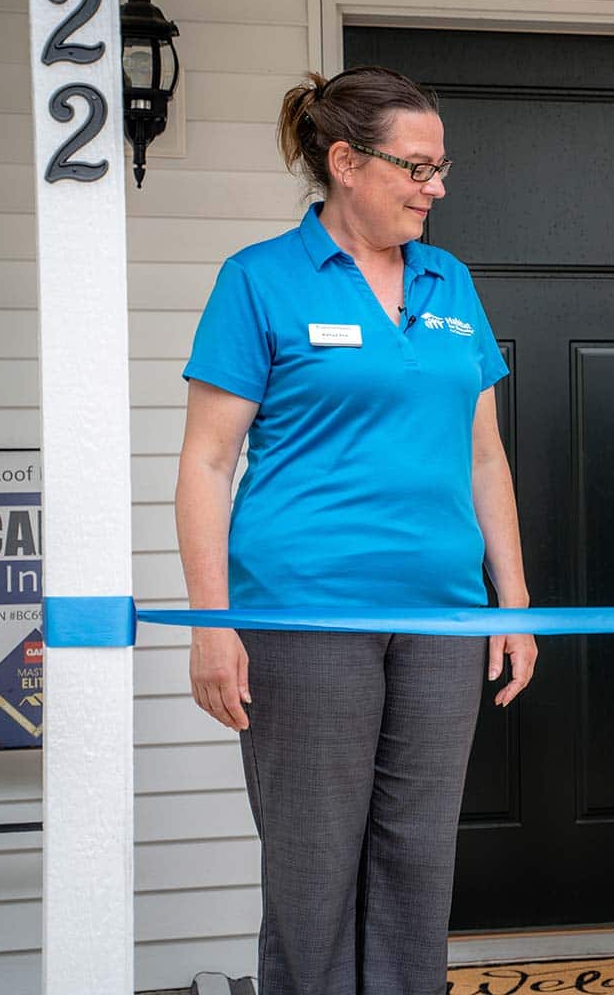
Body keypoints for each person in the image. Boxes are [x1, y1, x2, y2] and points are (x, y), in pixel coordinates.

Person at [174, 66, 537, 994]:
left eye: (441, 167)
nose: (437, 187)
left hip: (442, 621)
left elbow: (484, 457)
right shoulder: (259, 279)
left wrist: (515, 602)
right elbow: (208, 463)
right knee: (314, 866)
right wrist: (213, 625)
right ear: (345, 162)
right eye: (418, 167)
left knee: (417, 865)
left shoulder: (449, 279)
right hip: (306, 618)